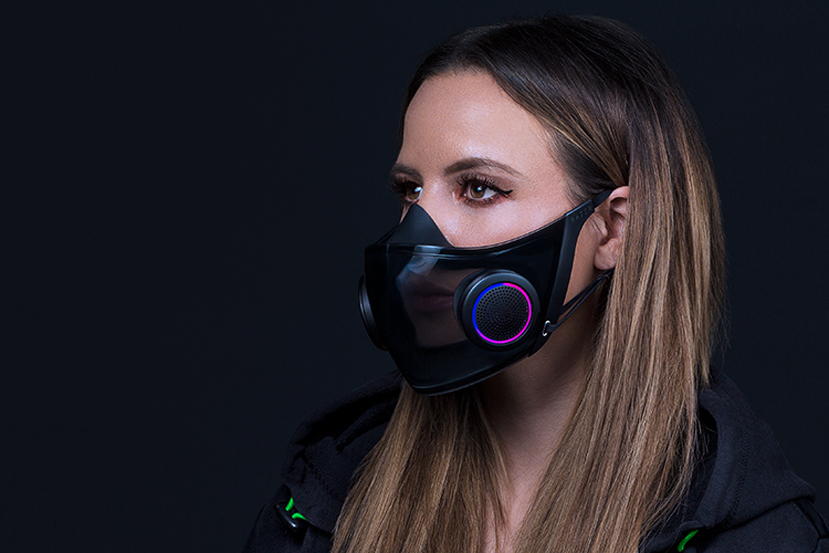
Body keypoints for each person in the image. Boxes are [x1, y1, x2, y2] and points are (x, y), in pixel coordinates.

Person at [243, 15, 827, 553]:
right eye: (411, 191)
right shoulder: (328, 495)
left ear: (613, 230)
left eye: (478, 188)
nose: (416, 236)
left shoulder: (755, 534)